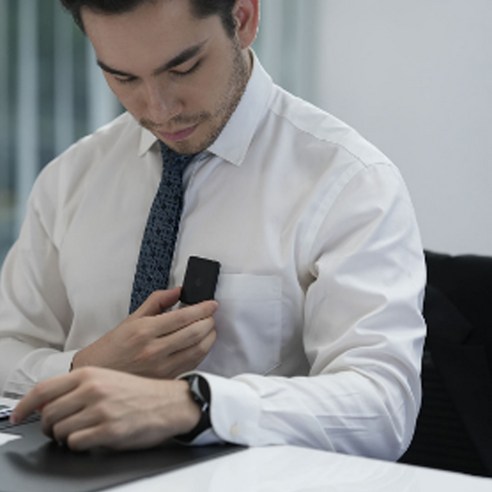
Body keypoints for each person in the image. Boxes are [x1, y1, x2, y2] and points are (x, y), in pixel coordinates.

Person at [0, 0, 426, 458]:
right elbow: (10, 346)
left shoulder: (349, 182)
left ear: (243, 18)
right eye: (123, 78)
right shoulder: (70, 179)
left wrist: (194, 405)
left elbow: (383, 407)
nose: (159, 109)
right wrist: (85, 366)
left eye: (183, 68)